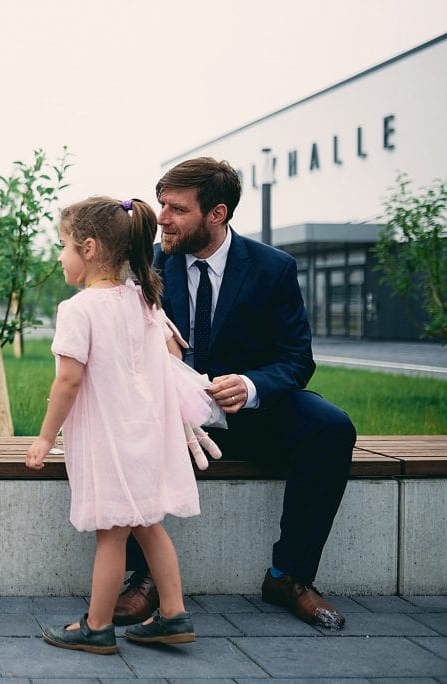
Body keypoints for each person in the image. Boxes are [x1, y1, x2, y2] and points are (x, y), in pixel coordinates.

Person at [114, 157, 356, 630]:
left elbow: (296, 359)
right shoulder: (152, 265)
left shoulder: (273, 268)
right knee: (130, 426)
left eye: (176, 209)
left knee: (331, 427)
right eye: (161, 204)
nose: (162, 217)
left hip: (252, 414)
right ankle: (143, 577)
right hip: (174, 417)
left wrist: (250, 385)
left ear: (217, 214)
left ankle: (290, 576)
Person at [27, 196, 200, 655]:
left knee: (112, 533)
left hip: (109, 438)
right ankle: (173, 612)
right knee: (148, 523)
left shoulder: (79, 309)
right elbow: (171, 358)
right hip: (146, 433)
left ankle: (97, 626)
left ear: (87, 247)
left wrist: (46, 437)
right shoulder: (144, 299)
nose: (59, 255)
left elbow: (68, 380)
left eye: (62, 245)